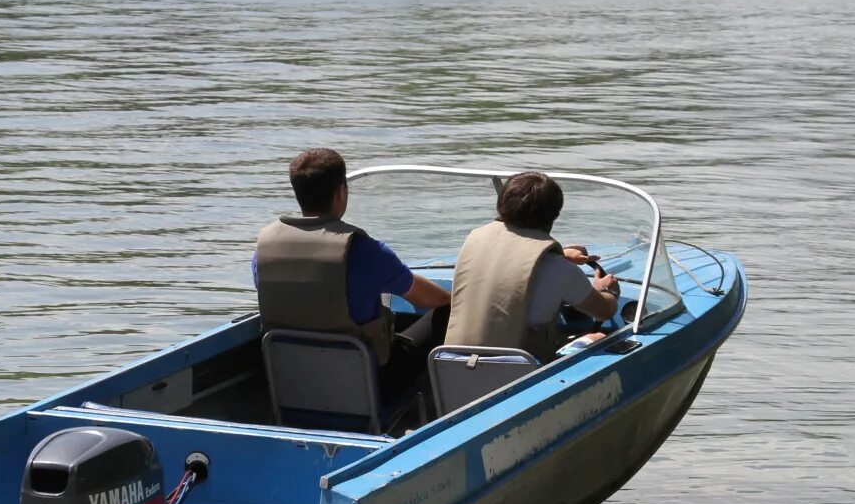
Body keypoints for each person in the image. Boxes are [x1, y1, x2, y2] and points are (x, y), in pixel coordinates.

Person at [252, 148, 449, 396]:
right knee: (447, 311)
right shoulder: (364, 250)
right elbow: (434, 299)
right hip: (367, 385)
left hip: (291, 383)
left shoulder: (264, 250)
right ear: (341, 192)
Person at [444, 172, 619, 362]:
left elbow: (509, 259)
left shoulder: (474, 240)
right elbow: (604, 311)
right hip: (519, 373)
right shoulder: (559, 269)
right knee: (599, 337)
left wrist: (560, 254)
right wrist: (607, 290)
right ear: (554, 216)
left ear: (501, 205)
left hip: (453, 363)